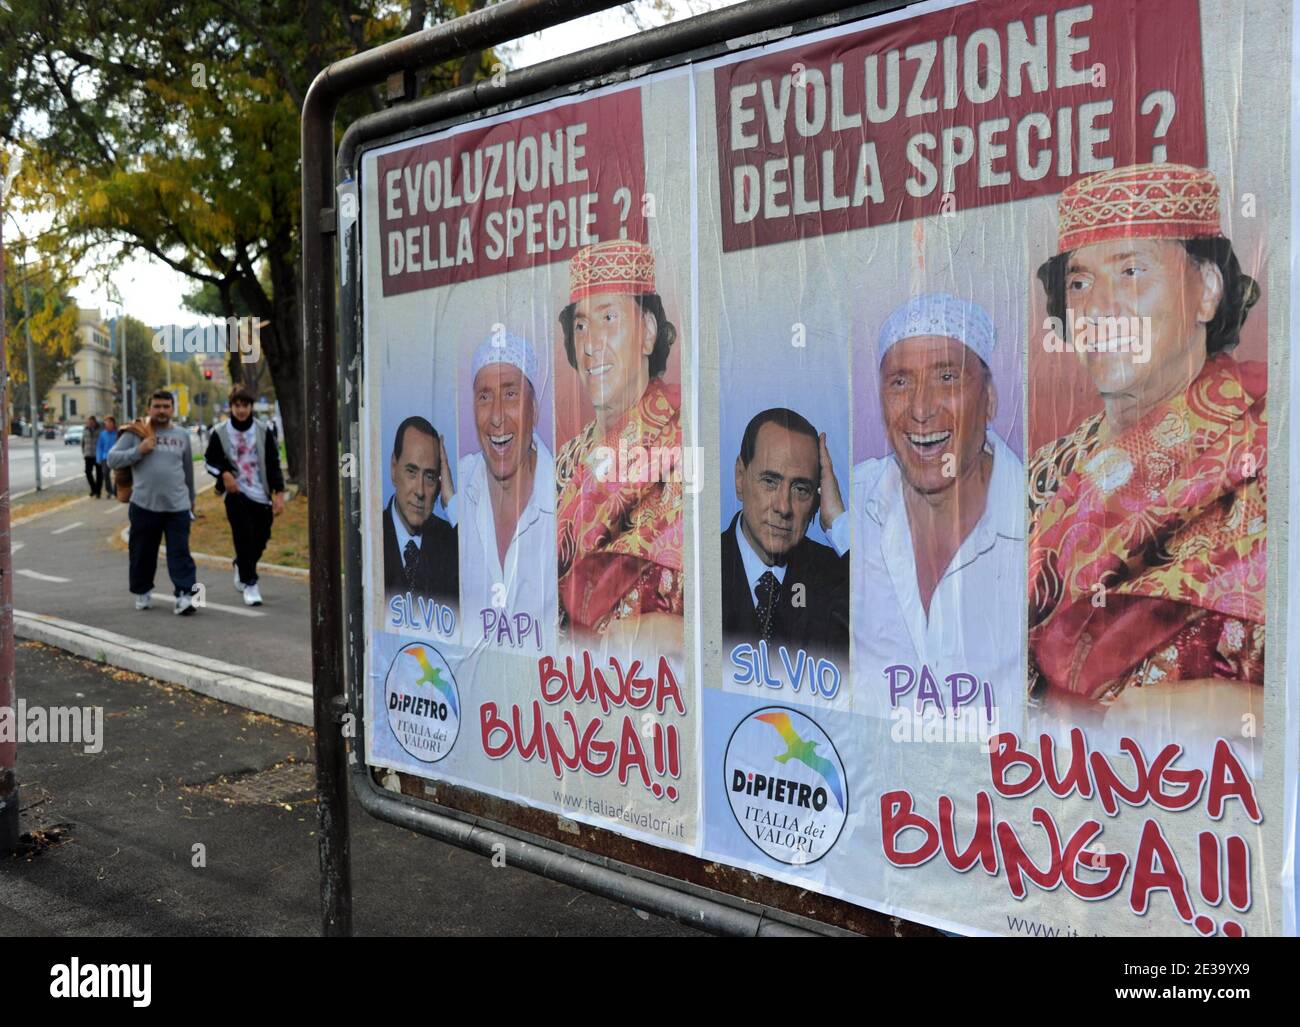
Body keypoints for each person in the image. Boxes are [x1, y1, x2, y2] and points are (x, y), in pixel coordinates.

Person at [1028, 163, 1265, 718]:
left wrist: (1238, 714)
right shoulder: (1046, 474)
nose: (1100, 309)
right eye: (1080, 283)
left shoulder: (1270, 445)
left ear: (1207, 291)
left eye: (1131, 271)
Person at [825, 293, 1025, 718]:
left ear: (989, 399)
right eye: (900, 381)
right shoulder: (858, 501)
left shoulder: (1044, 525)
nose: (919, 408)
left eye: (947, 377)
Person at [555, 240, 683, 645]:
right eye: (580, 325)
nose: (591, 344)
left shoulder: (684, 443)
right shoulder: (565, 462)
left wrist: (668, 636)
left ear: (647, 333)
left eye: (608, 317)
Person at [443, 331, 556, 647]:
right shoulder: (462, 482)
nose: (496, 417)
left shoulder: (569, 497)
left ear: (534, 409)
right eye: (484, 396)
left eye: (510, 394)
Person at [722, 408, 848, 659]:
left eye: (801, 489)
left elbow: (894, 637)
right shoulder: (698, 569)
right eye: (770, 481)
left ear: (817, 498)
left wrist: (838, 522)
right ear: (740, 477)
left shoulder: (840, 577)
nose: (783, 507)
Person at [107, 390, 200, 614]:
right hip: (144, 505)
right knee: (142, 553)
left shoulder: (181, 435)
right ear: (149, 408)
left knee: (180, 553)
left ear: (172, 409)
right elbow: (112, 458)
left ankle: (184, 595)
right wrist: (139, 450)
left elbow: (188, 471)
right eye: (157, 406)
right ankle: (143, 591)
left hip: (177, 506)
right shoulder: (136, 433)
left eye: (166, 406)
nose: (161, 410)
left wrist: (191, 501)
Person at [204, 385, 287, 606]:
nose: (241, 410)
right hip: (236, 494)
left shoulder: (263, 430)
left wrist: (279, 493)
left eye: (245, 406)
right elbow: (209, 461)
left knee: (261, 538)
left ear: (251, 407)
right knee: (243, 537)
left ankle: (241, 565)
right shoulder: (220, 432)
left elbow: (273, 463)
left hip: (261, 494)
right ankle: (250, 584)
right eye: (237, 406)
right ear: (231, 407)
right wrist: (224, 474)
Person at [382, 415, 459, 606]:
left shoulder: (452, 542)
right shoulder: (371, 535)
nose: (420, 491)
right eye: (411, 472)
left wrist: (451, 502)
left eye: (430, 477)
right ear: (394, 468)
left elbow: (485, 583)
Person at [96, 415, 118, 500]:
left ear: (113, 423)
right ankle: (109, 491)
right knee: (105, 473)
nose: (108, 424)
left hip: (116, 456)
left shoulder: (117, 433)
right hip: (105, 457)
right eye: (106, 422)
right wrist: (99, 458)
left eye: (109, 422)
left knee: (118, 475)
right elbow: (99, 446)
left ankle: (116, 491)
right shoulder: (102, 434)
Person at [81, 415, 102, 497]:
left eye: (91, 422)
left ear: (95, 422)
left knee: (99, 474)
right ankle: (93, 488)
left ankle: (98, 491)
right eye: (88, 422)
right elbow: (83, 442)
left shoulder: (100, 430)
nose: (89, 423)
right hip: (88, 454)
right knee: (87, 472)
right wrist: (84, 452)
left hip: (97, 454)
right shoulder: (85, 429)